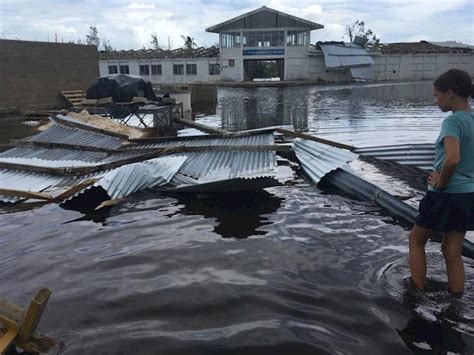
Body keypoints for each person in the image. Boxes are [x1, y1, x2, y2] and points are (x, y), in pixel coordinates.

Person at [409, 68, 474, 295]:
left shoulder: (453, 122)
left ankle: (415, 293)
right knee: (452, 250)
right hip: (468, 195)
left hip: (446, 193)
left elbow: (453, 158)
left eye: (436, 95)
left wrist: (441, 183)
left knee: (416, 240)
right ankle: (456, 298)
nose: (435, 100)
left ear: (449, 93)